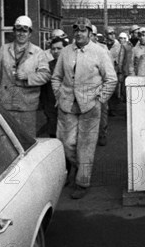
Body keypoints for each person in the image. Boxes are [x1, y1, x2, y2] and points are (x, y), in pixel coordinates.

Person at [51, 17, 117, 199]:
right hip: (67, 105)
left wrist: (100, 99)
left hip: (90, 106)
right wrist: (59, 94)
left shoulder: (99, 52)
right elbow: (56, 77)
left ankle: (82, 182)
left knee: (86, 147)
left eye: (83, 30)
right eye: (76, 30)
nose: (79, 33)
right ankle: (80, 168)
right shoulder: (65, 52)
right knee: (66, 143)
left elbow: (111, 79)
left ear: (89, 33)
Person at [0, 15, 50, 138]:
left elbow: (45, 75)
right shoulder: (4, 49)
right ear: (14, 31)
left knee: (27, 138)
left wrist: (28, 76)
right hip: (6, 102)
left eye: (25, 30)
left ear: (29, 33)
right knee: (6, 137)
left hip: (26, 104)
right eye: (18, 30)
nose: (21, 34)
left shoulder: (38, 52)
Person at [39, 34, 68, 137]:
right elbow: (44, 89)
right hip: (51, 107)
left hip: (68, 107)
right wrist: (45, 106)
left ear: (65, 49)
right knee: (53, 135)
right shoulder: (48, 65)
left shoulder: (73, 65)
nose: (55, 51)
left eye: (59, 48)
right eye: (53, 49)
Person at [105, 26, 121, 117]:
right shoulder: (103, 46)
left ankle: (113, 109)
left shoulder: (118, 46)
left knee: (114, 91)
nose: (112, 35)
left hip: (115, 70)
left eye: (113, 33)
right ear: (106, 35)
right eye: (110, 34)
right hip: (105, 70)